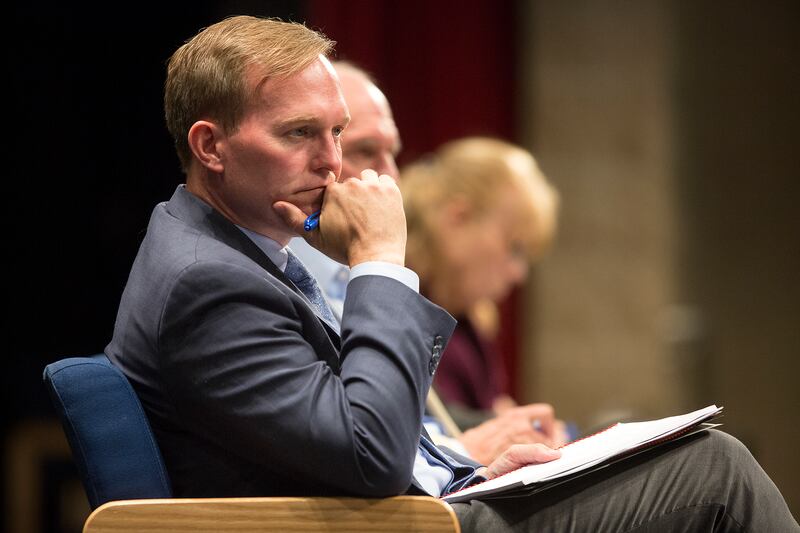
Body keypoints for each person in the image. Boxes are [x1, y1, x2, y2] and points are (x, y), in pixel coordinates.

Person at [105, 16, 798, 531]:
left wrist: (462, 470)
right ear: (211, 145)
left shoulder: (229, 250)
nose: (335, 163)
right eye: (298, 134)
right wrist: (381, 261)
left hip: (416, 507)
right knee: (716, 468)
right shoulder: (207, 281)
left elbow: (331, 433)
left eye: (338, 133)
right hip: (401, 526)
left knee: (697, 453)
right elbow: (368, 453)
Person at [289, 61, 568, 461]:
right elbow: (363, 448)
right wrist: (471, 445)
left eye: (393, 154)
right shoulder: (302, 284)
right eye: (514, 247)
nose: (392, 181)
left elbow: (416, 434)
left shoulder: (367, 282)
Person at [400, 137, 561, 428]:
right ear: (458, 218)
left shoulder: (469, 321)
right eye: (514, 247)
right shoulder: (394, 308)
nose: (518, 274)